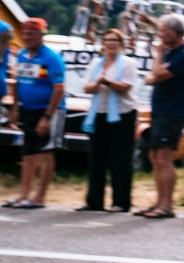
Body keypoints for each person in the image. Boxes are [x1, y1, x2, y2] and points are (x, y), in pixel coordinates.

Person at [2, 18, 65, 209]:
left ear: (41, 35)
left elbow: (59, 88)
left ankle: (40, 197)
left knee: (44, 153)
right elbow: (19, 83)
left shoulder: (51, 57)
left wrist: (47, 117)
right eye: (25, 34)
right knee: (28, 153)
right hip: (28, 110)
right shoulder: (22, 56)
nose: (27, 37)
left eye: (32, 34)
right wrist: (14, 109)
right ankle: (23, 195)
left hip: (49, 111)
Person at [138, 14, 184, 219]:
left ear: (175, 32)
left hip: (172, 112)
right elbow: (152, 77)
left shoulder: (183, 55)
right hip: (160, 110)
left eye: (163, 31)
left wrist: (158, 54)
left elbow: (156, 76)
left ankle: (167, 205)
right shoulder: (172, 52)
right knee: (154, 156)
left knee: (164, 157)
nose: (159, 35)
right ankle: (159, 202)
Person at [80, 27, 139, 213]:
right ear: (103, 43)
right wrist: (98, 83)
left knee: (119, 159)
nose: (111, 43)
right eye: (107, 40)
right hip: (99, 113)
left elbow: (125, 88)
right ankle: (94, 201)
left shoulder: (128, 63)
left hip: (122, 115)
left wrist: (107, 83)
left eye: (115, 40)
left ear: (120, 44)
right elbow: (87, 87)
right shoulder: (96, 63)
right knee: (96, 159)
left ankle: (121, 202)